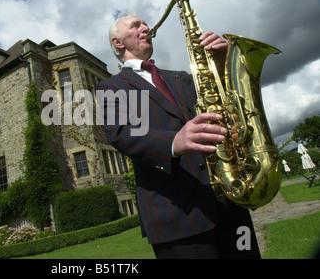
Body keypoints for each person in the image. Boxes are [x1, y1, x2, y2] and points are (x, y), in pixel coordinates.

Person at [95, 13, 261, 259]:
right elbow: (122, 134)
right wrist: (173, 142)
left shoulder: (182, 76)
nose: (146, 27)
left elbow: (225, 106)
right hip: (177, 217)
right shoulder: (110, 87)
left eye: (145, 23)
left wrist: (221, 63)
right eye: (136, 25)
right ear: (119, 42)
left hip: (229, 203)